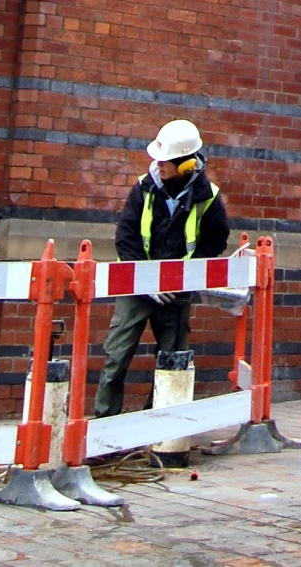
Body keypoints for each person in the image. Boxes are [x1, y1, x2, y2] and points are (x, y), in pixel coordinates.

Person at [94, 119, 230, 418]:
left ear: (185, 165)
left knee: (172, 360)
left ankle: (159, 426)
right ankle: (105, 426)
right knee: (116, 356)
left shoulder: (207, 198)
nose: (158, 164)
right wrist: (148, 281)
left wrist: (179, 279)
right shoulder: (143, 189)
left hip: (175, 293)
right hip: (136, 286)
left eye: (165, 159)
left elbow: (215, 241)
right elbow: (126, 239)